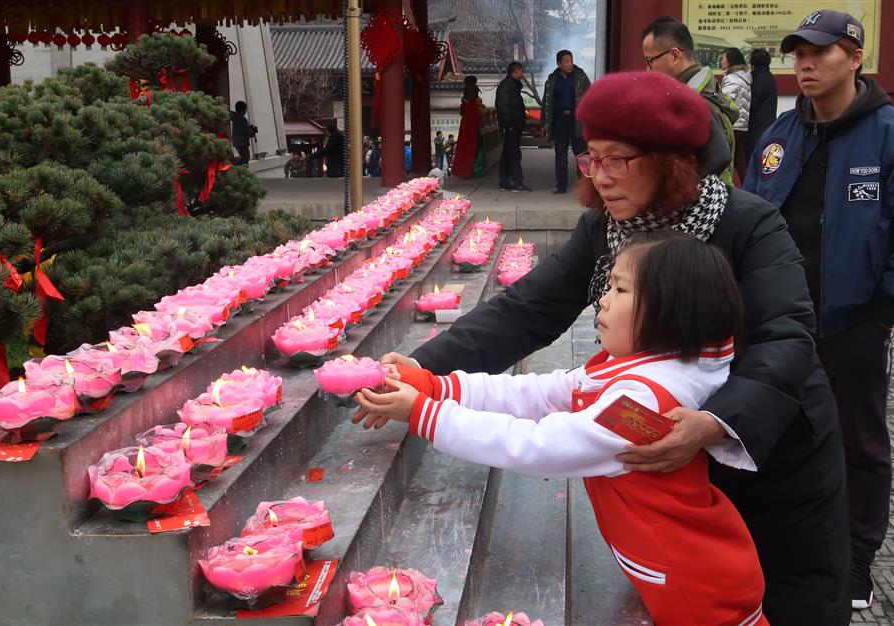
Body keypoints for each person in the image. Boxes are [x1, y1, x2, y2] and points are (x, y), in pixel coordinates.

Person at [375, 71, 851, 625]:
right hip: (670, 469)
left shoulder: (748, 224)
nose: (600, 177)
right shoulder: (606, 229)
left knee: (789, 598)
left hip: (766, 448)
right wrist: (422, 371)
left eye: (617, 160)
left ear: (671, 161)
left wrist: (714, 423)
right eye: (591, 159)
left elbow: (786, 335)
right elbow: (526, 309)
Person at [355, 233, 767, 626]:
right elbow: (540, 392)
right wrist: (436, 384)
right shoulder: (641, 369)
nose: (602, 301)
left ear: (670, 312)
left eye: (621, 291)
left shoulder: (643, 405)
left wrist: (427, 414)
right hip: (682, 571)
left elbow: (539, 446)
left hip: (694, 595)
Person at [743, 10, 894, 612]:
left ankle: (856, 561)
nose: (804, 64)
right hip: (777, 322)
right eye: (797, 53)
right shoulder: (781, 135)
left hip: (853, 320)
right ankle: (778, 547)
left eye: (820, 53)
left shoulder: (886, 132)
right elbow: (748, 218)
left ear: (854, 58)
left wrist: (880, 308)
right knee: (771, 428)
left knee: (859, 441)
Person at [641, 17, 739, 186]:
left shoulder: (697, 107)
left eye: (650, 61)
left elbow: (705, 179)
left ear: (674, 55)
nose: (647, 71)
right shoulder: (708, 91)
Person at [542, 50, 592, 194]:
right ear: (559, 64)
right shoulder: (552, 79)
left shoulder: (581, 77)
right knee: (560, 154)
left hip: (577, 120)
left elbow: (590, 95)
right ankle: (561, 185)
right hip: (559, 120)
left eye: (571, 60)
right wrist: (545, 123)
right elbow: (546, 102)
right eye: (566, 61)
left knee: (581, 154)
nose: (570, 64)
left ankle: (584, 186)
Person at [494, 61, 531, 192]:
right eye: (521, 71)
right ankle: (516, 181)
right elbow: (503, 106)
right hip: (511, 125)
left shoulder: (512, 86)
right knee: (514, 153)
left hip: (514, 125)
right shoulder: (506, 86)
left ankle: (504, 182)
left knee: (507, 154)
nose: (522, 74)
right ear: (515, 71)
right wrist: (509, 123)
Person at [720, 47, 752, 184]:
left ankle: (727, 188)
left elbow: (726, 101)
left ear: (730, 61)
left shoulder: (732, 78)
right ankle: (748, 186)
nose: (721, 62)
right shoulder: (744, 77)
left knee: (726, 159)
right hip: (742, 125)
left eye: (723, 58)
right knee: (740, 160)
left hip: (732, 124)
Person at [747, 49, 777, 168]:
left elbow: (752, 105)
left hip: (757, 129)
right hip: (768, 126)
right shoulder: (768, 76)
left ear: (752, 64)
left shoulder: (759, 80)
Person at [229, 100, 257, 165]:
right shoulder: (240, 119)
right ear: (243, 110)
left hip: (238, 142)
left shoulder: (236, 117)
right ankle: (238, 167)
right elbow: (241, 130)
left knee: (245, 157)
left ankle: (238, 166)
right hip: (241, 142)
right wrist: (251, 130)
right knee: (245, 157)